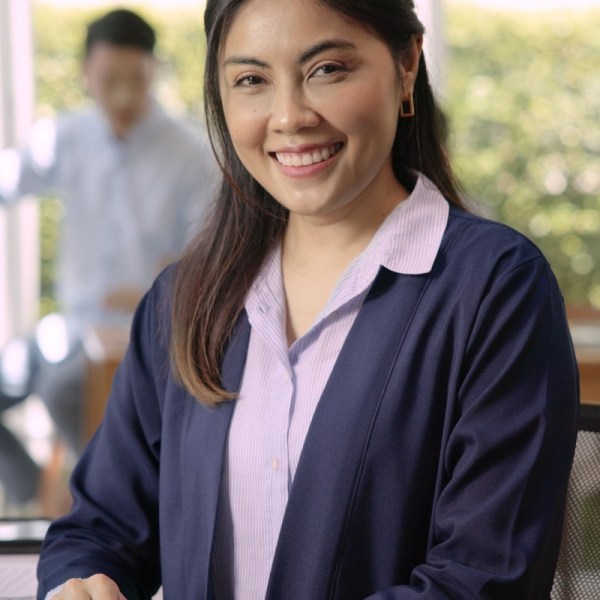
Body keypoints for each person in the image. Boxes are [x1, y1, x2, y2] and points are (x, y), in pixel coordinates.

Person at [37, 0, 579, 598]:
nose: (290, 117)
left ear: (406, 66)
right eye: (251, 80)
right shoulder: (182, 301)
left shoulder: (494, 290)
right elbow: (101, 528)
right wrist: (82, 584)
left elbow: (482, 578)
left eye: (328, 70)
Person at [0, 9, 218, 506]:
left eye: (136, 79)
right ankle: (41, 500)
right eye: (109, 80)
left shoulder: (190, 151)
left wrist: (153, 287)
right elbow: (10, 179)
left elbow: (208, 256)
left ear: (155, 72)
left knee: (62, 392)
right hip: (70, 328)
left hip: (142, 331)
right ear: (86, 75)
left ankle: (113, 502)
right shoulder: (66, 137)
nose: (123, 94)